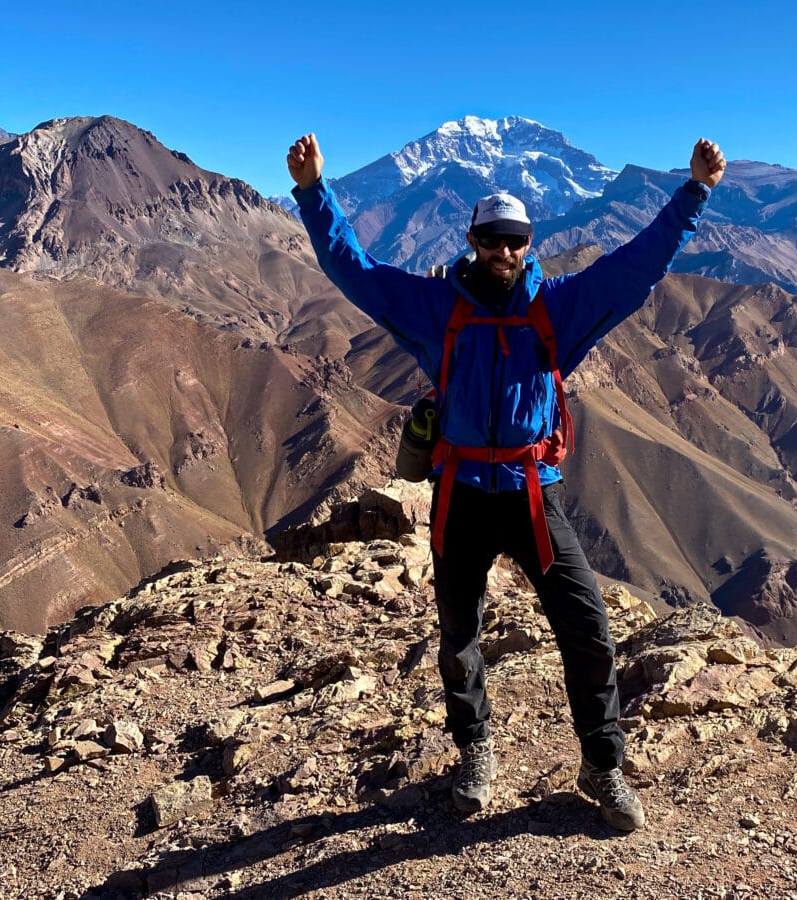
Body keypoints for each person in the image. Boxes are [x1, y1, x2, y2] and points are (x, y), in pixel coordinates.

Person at [286, 132, 724, 831]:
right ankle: (476, 749)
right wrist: (314, 194)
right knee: (458, 634)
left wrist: (694, 191)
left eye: (516, 239)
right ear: (473, 240)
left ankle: (601, 764)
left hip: (529, 493)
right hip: (460, 493)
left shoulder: (555, 308)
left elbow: (635, 269)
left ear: (529, 242)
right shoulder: (440, 308)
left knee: (586, 625)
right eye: (493, 239)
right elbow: (358, 274)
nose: (504, 250)